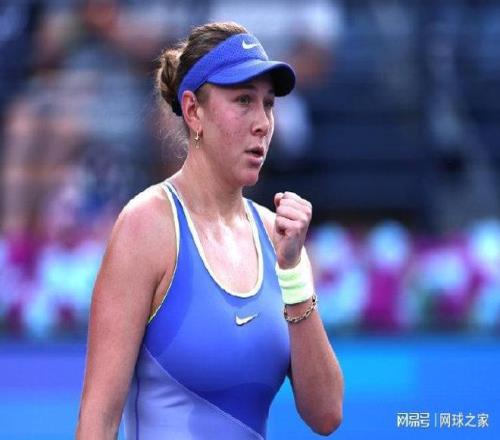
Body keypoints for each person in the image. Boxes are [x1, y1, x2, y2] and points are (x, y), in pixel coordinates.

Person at [76, 21, 344, 439]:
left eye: (268, 104)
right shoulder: (146, 226)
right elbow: (98, 419)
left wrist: (293, 273)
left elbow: (326, 414)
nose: (263, 123)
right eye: (243, 100)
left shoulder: (280, 239)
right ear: (193, 110)